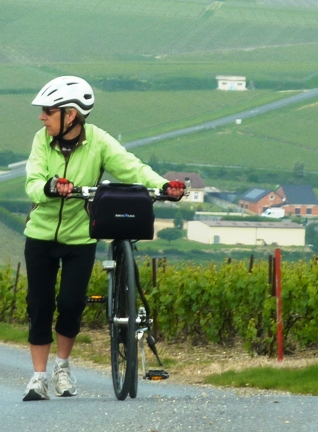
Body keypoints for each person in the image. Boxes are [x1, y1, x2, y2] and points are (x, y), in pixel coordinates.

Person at [22, 76, 185, 401]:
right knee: (39, 305)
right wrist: (52, 185)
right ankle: (38, 378)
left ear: (70, 115)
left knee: (70, 304)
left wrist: (165, 186)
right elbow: (32, 180)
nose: (41, 117)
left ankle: (63, 368)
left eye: (48, 111)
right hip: (40, 234)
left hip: (80, 237)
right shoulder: (42, 140)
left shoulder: (98, 141)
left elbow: (131, 168)